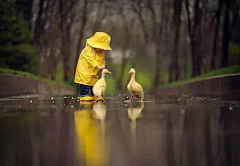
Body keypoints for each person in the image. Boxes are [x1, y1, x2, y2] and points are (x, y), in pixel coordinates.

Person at [74, 32, 112, 101]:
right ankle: (83, 95)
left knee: (94, 84)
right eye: (100, 47)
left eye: (103, 48)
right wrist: (97, 65)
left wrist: (103, 66)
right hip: (85, 71)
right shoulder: (87, 50)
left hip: (94, 72)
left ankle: (95, 95)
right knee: (85, 83)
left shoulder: (100, 52)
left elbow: (102, 60)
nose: (101, 50)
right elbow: (91, 59)